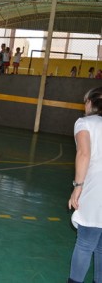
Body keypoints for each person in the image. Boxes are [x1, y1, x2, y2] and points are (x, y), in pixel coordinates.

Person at [68, 86, 102, 283]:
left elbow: (84, 153)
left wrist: (78, 186)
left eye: (85, 101)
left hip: (95, 189)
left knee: (85, 242)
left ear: (91, 103)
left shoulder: (84, 123)